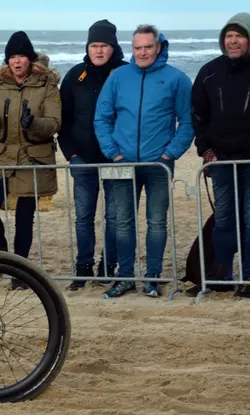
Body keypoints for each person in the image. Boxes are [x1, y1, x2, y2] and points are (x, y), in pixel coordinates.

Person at [95, 25, 194, 298]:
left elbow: (187, 122)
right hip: (122, 162)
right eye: (137, 48)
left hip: (158, 164)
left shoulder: (177, 79)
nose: (142, 52)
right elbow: (102, 117)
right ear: (132, 48)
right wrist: (113, 152)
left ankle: (152, 278)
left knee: (157, 222)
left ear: (158, 47)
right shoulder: (118, 78)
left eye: (147, 47)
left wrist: (169, 153)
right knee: (123, 222)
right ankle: (125, 278)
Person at [0, 31, 61, 289]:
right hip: (2, 156)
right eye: (12, 56)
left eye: (21, 55)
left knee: (24, 218)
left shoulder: (47, 85)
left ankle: (20, 273)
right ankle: (0, 250)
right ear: (7, 60)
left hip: (34, 158)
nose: (17, 61)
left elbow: (55, 123)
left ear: (30, 59)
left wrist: (33, 123)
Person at [58, 20, 127, 290]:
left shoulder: (125, 73)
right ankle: (83, 265)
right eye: (94, 45)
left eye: (104, 45)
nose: (99, 51)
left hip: (116, 159)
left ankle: (108, 265)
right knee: (84, 216)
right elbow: (63, 119)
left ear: (113, 47)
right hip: (83, 159)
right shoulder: (76, 75)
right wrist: (71, 153)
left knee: (115, 216)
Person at [191, 12, 250, 297]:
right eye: (229, 36)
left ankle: (248, 279)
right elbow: (198, 115)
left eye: (239, 35)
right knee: (224, 221)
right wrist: (206, 149)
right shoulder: (209, 72)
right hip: (223, 160)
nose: (233, 41)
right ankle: (221, 277)